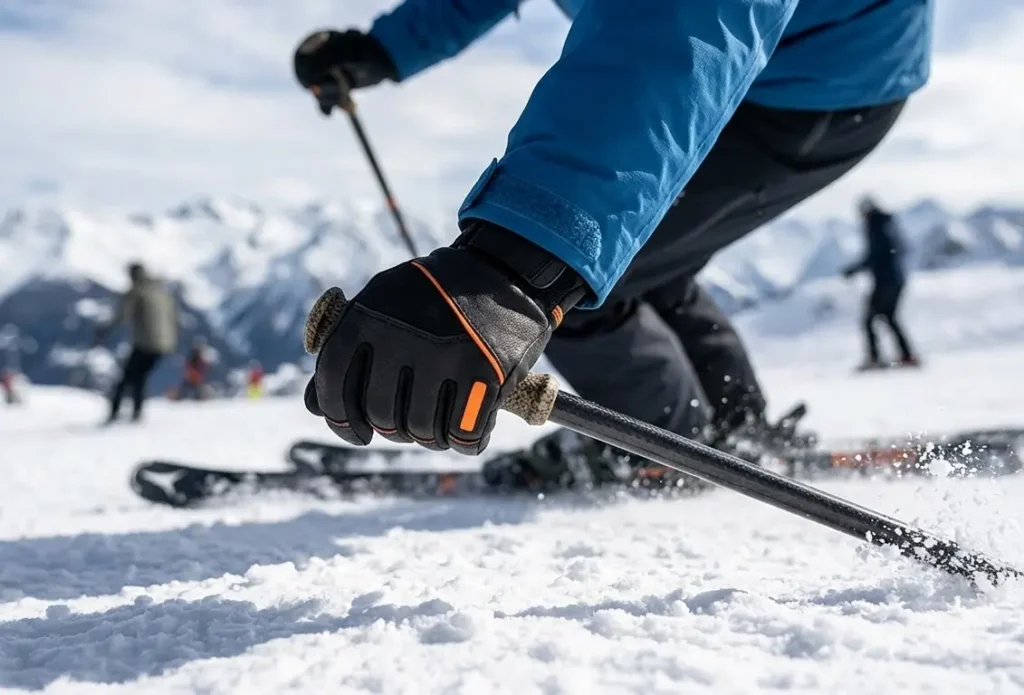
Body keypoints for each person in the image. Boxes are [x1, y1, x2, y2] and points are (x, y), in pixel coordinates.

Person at [294, 1, 934, 482]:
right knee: (639, 263)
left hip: (819, 77)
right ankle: (731, 427)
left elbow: (682, 21)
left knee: (584, 280)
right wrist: (386, 48)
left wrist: (518, 267)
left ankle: (664, 452)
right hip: (776, 60)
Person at [95, 262, 179, 423]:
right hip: (164, 344)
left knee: (127, 378)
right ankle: (137, 412)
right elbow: (173, 317)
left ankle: (116, 413)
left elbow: (122, 315)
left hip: (145, 342)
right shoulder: (161, 290)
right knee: (140, 377)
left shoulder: (137, 291)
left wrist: (105, 329)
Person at [843, 196, 919, 370]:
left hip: (885, 281)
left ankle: (875, 358)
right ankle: (907, 355)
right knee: (890, 317)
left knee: (869, 319)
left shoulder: (875, 227)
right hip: (896, 279)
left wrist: (854, 270)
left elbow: (875, 255)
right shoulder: (888, 225)